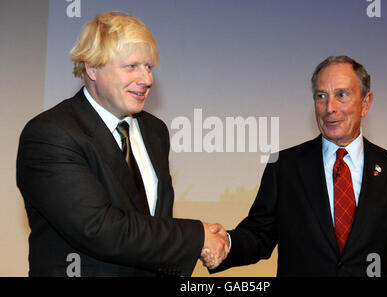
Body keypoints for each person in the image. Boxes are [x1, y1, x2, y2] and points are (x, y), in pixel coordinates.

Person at [16, 11, 228, 277]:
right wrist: (198, 237)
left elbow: (152, 222)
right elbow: (99, 229)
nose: (147, 79)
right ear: (92, 68)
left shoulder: (155, 131)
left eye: (149, 67)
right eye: (132, 67)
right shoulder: (51, 134)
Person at [207, 56, 387, 276]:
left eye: (341, 95)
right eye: (321, 96)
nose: (330, 107)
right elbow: (259, 235)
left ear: (365, 103)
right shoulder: (284, 167)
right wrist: (225, 243)